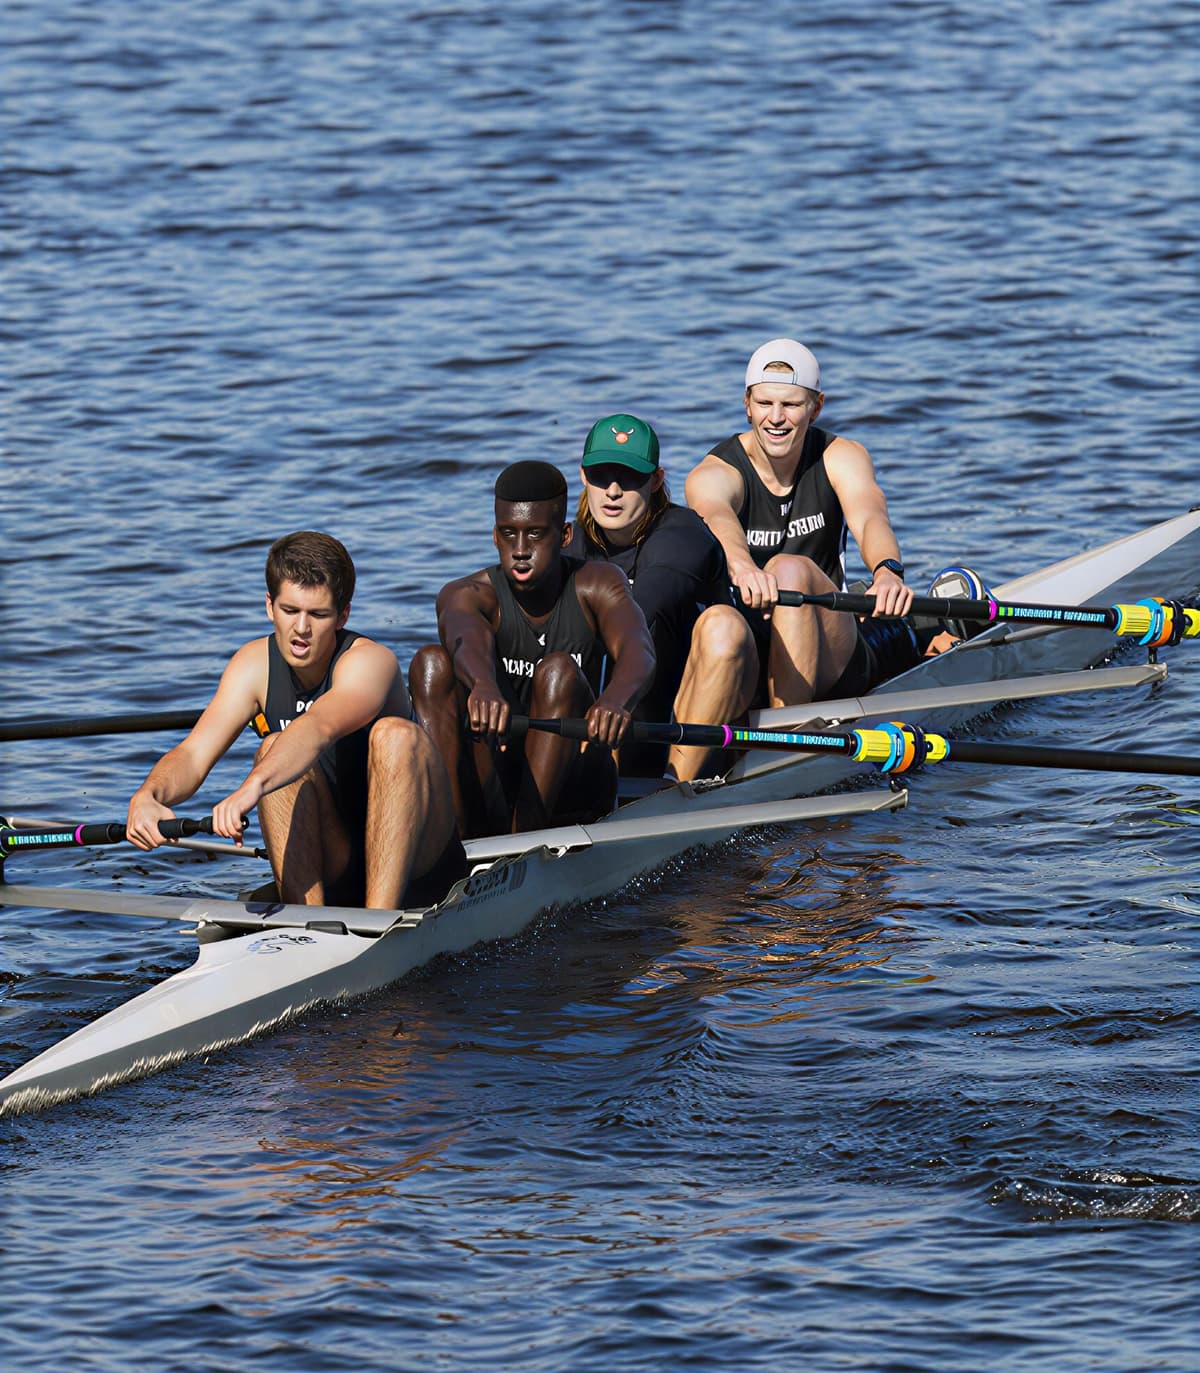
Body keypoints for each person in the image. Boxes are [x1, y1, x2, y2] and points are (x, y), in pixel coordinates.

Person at [126, 531, 465, 911]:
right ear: (270, 606)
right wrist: (148, 795)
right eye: (290, 611)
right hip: (339, 855)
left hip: (419, 861)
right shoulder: (252, 665)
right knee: (273, 746)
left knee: (395, 735)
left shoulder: (371, 662)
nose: (301, 629)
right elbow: (193, 753)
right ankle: (305, 921)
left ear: (343, 615)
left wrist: (253, 786)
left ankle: (380, 923)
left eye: (317, 615)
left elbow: (320, 726)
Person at [684, 338, 921, 729]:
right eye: (764, 404)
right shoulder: (714, 474)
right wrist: (743, 568)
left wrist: (886, 570)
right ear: (747, 405)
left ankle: (784, 732)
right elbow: (716, 517)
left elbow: (870, 516)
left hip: (833, 651)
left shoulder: (841, 456)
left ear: (816, 407)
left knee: (788, 569)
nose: (776, 417)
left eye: (791, 405)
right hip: (752, 649)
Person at [410, 460, 656, 837]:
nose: (520, 550)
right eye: (509, 534)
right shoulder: (466, 594)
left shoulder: (598, 584)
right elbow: (464, 638)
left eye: (536, 535)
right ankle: (450, 842)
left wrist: (616, 701)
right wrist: (483, 685)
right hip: (496, 779)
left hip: (574, 787)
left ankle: (523, 842)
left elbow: (640, 650)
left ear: (565, 535)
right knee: (430, 664)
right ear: (495, 536)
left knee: (557, 672)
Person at [564, 413, 732, 778]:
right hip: (628, 714)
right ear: (582, 475)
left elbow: (640, 611)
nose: (612, 490)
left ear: (655, 480)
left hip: (698, 712)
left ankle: (678, 787)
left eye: (629, 477)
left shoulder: (683, 535)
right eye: (601, 475)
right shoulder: (567, 544)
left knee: (724, 626)